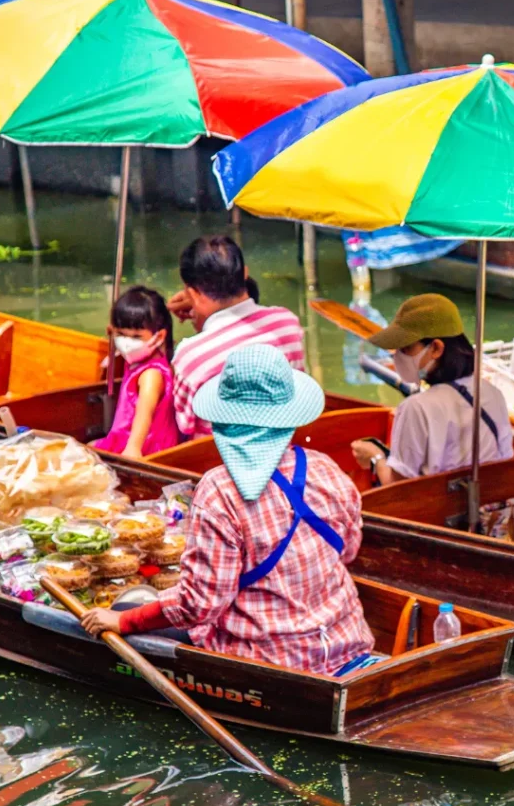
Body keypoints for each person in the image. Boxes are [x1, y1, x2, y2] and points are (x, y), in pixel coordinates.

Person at [82, 345, 375, 677]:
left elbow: (199, 605)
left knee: (125, 605)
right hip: (346, 641)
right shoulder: (327, 469)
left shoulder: (220, 491)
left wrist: (124, 619)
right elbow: (347, 551)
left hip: (268, 661)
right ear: (288, 419)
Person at [350, 294, 512, 486]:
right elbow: (505, 460)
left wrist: (376, 457)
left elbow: (397, 487)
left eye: (406, 349)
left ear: (436, 348)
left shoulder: (416, 408)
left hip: (439, 512)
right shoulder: (493, 393)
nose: (397, 357)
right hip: (491, 505)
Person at [167, 236, 305, 438]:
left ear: (192, 293)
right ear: (246, 274)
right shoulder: (286, 323)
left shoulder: (190, 356)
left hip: (216, 461)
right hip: (284, 443)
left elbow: (184, 426)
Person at [92, 286, 180, 459]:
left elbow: (144, 413)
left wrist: (133, 448)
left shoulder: (151, 375)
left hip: (143, 445)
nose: (126, 343)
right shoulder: (138, 360)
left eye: (136, 337)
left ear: (159, 336)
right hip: (122, 437)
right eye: (121, 334)